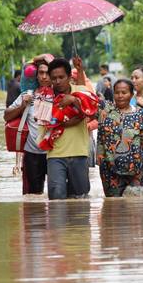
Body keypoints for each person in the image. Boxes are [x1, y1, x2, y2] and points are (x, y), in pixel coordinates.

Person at [95, 79, 143, 197]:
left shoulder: (139, 115)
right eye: (117, 93)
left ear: (132, 94)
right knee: (113, 207)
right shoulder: (105, 110)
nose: (120, 96)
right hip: (109, 168)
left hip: (135, 168)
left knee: (136, 205)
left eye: (124, 93)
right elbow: (86, 101)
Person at [44, 58, 93, 200]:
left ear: (69, 77)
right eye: (54, 78)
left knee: (80, 198)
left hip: (79, 152)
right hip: (55, 154)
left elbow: (90, 111)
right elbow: (44, 122)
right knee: (56, 197)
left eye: (61, 77)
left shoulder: (81, 91)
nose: (57, 81)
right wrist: (68, 120)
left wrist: (73, 100)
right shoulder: (45, 97)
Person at [4, 61, 52, 195]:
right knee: (33, 197)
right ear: (36, 76)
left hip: (55, 153)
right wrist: (22, 106)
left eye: (47, 73)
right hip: (32, 154)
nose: (44, 77)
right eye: (41, 73)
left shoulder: (59, 95)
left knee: (57, 195)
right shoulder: (27, 95)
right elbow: (6, 116)